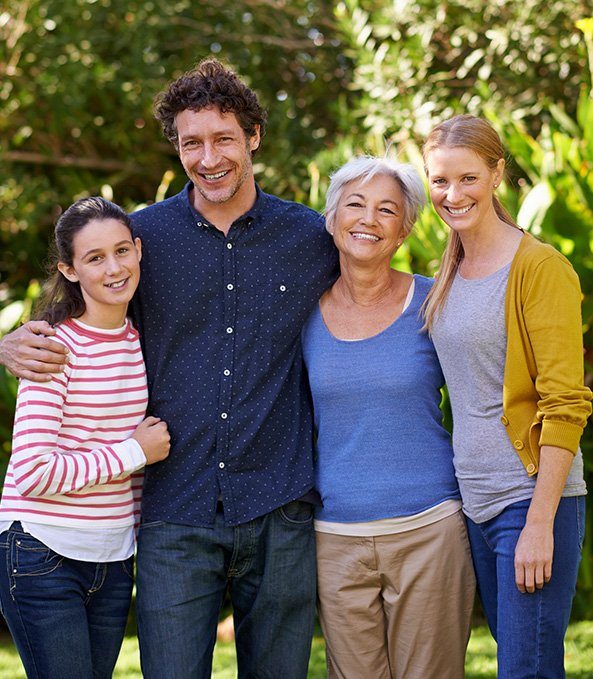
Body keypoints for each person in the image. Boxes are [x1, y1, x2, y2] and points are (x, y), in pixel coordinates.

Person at [0, 60, 338, 678]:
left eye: (223, 139)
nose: (208, 157)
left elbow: (382, 285)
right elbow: (79, 306)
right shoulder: (141, 239)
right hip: (173, 515)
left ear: (254, 136)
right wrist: (7, 344)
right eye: (191, 143)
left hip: (279, 509)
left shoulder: (310, 237)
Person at [422, 114, 592, 678]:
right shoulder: (451, 268)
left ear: (497, 173)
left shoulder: (539, 268)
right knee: (522, 663)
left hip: (530, 498)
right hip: (476, 501)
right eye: (440, 181)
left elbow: (566, 404)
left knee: (526, 670)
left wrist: (539, 523)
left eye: (468, 178)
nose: (453, 194)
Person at [301, 156, 475, 679]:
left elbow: (483, 396)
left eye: (386, 210)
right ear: (331, 220)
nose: (368, 219)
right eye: (354, 205)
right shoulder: (302, 314)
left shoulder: (436, 301)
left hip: (430, 530)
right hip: (336, 536)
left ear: (403, 231)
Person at [0, 197, 170, 679]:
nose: (114, 268)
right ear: (70, 270)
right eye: (95, 258)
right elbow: (31, 472)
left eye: (122, 251)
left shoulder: (141, 340)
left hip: (112, 559)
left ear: (138, 250)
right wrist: (134, 452)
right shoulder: (53, 349)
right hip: (42, 553)